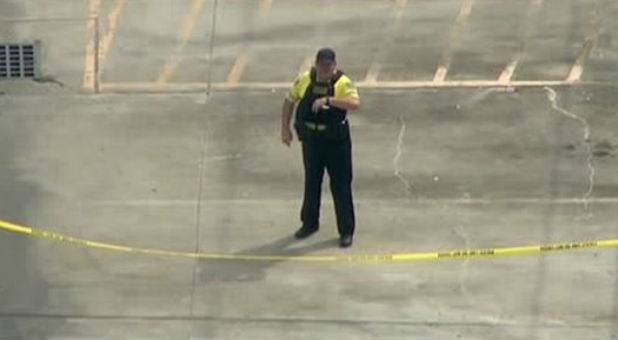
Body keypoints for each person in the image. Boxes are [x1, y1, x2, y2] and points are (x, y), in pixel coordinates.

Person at [280, 47, 361, 248]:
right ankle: (309, 223)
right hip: (312, 140)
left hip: (336, 141)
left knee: (341, 185)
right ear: (316, 64)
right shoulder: (305, 80)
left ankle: (346, 230)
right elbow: (289, 100)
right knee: (312, 182)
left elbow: (355, 103)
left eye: (329, 66)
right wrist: (285, 128)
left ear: (334, 66)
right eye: (322, 66)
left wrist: (328, 100)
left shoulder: (343, 82)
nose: (325, 70)